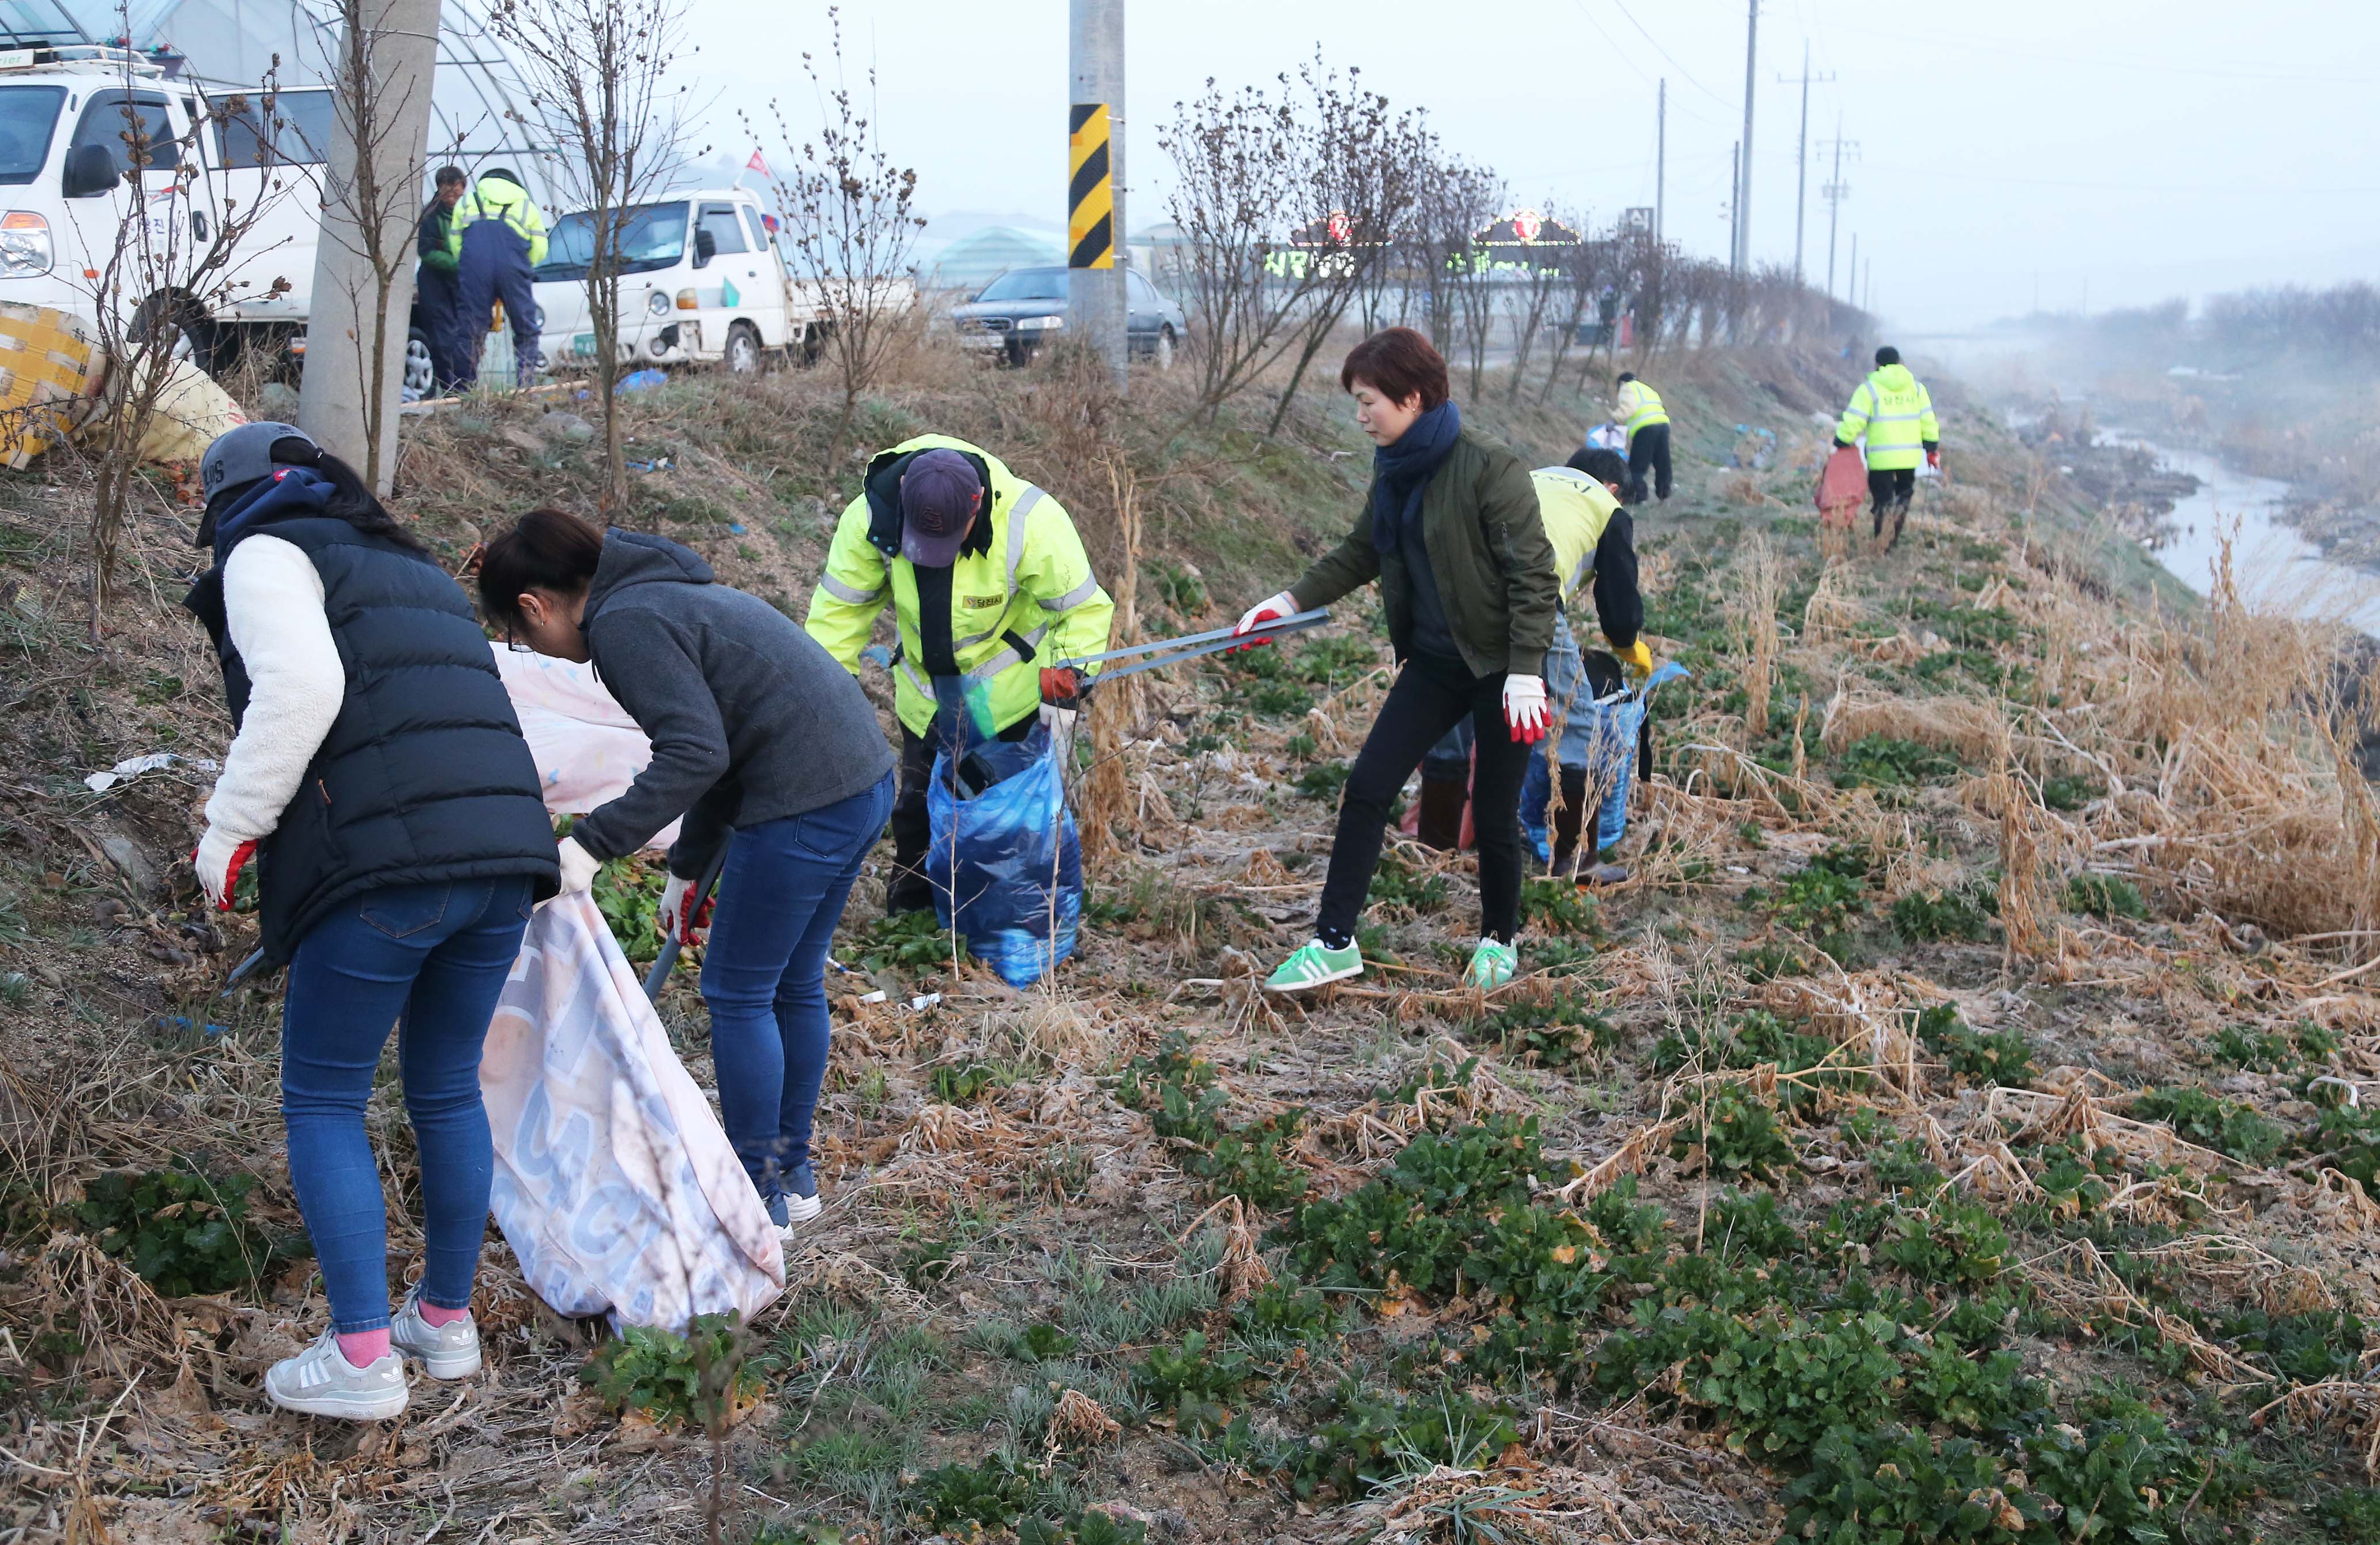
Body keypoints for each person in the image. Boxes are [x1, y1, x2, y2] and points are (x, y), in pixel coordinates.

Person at [184, 423, 560, 1421]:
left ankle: (359, 1356)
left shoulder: (267, 552)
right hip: (502, 859)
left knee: (322, 1099)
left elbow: (301, 688)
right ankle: (443, 1320)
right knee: (444, 1087)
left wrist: (230, 826)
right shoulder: (412, 565)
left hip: (393, 870)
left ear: (231, 506)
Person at [480, 508, 897, 1236]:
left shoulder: (625, 625)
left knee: (738, 992)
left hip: (804, 799)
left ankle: (757, 1199)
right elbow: (719, 745)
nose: (534, 649)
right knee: (792, 983)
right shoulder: (659, 594)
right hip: (860, 780)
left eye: (521, 637)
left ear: (534, 607)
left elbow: (696, 753)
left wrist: (590, 845)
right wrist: (687, 866)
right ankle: (791, 1179)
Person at [1235, 327, 1558, 995]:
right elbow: (1361, 551)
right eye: (1357, 401)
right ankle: (1334, 943)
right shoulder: (1395, 467)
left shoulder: (1489, 467)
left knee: (1493, 810)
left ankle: (1499, 938)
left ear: (1411, 398)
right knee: (1367, 787)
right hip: (1435, 664)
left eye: (1368, 401)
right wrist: (1286, 601)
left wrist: (1528, 669)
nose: (1360, 416)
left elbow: (1534, 577)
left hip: (1503, 669)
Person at [804, 437, 1113, 918]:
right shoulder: (869, 520)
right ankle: (914, 916)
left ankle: (994, 923)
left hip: (1005, 699)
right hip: (925, 700)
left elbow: (1082, 611)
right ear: (902, 500)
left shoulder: (1032, 522)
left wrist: (1067, 680)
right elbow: (840, 615)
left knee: (996, 816)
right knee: (915, 811)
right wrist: (822, 698)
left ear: (977, 507)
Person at [1530, 446, 1651, 877]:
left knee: (1469, 707)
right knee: (1578, 724)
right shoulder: (1605, 507)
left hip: (1451, 595)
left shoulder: (1531, 478)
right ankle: (1576, 861)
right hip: (1529, 601)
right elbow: (1619, 608)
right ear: (1613, 489)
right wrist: (1630, 647)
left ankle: (1440, 838)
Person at [449, 167, 548, 392]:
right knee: (526, 328)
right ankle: (526, 387)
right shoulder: (526, 206)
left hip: (475, 267)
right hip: (513, 268)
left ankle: (463, 391)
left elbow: (455, 245)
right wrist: (523, 266)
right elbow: (541, 249)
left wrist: (469, 267)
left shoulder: (467, 202)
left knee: (470, 330)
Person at [1835, 345, 1940, 550]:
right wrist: (1931, 446)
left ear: (1877, 364)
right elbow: (1928, 420)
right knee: (1903, 497)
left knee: (1883, 500)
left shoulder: (1869, 389)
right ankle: (1893, 540)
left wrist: (1842, 440)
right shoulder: (1917, 389)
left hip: (1880, 458)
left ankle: (1882, 542)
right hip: (1908, 458)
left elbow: (1855, 420)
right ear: (1900, 362)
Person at [413, 165, 468, 394]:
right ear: (439, 188)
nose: (453, 194)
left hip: (460, 283)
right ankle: (450, 389)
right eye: (448, 189)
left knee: (464, 337)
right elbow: (426, 251)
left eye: (457, 189)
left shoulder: (469, 212)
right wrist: (459, 264)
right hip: (435, 282)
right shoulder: (431, 215)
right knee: (442, 339)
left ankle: (465, 387)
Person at [1610, 371, 1672, 504]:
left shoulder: (1627, 388)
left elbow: (1629, 407)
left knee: (1637, 466)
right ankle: (1664, 495)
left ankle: (1638, 497)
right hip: (1663, 425)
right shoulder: (1647, 388)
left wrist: (1615, 420)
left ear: (1621, 383)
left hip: (1646, 428)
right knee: (1663, 462)